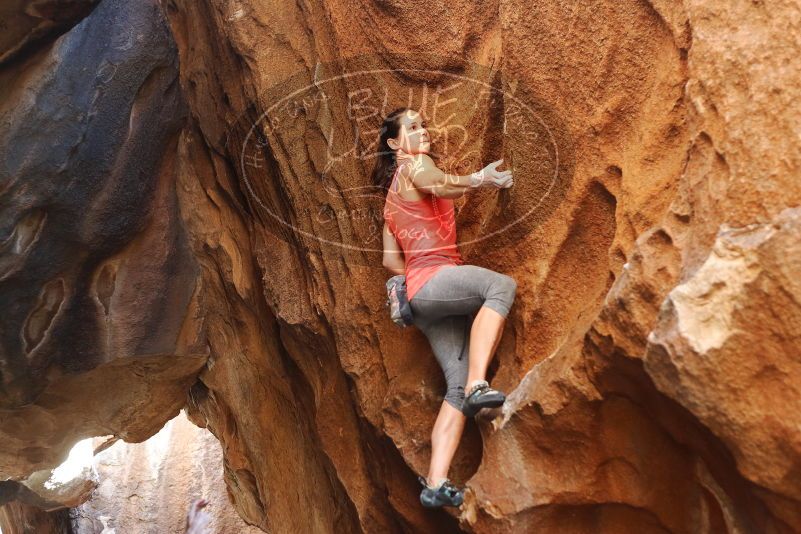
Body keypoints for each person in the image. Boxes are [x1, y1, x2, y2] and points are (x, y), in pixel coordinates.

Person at [374, 107, 517, 508]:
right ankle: (478, 384)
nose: (423, 132)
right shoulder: (415, 165)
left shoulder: (389, 200)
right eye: (413, 128)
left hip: (422, 299)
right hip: (435, 279)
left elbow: (390, 260)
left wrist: (411, 281)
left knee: (451, 388)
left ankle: (435, 483)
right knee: (500, 287)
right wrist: (481, 178)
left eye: (423, 125)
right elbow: (437, 185)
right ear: (394, 143)